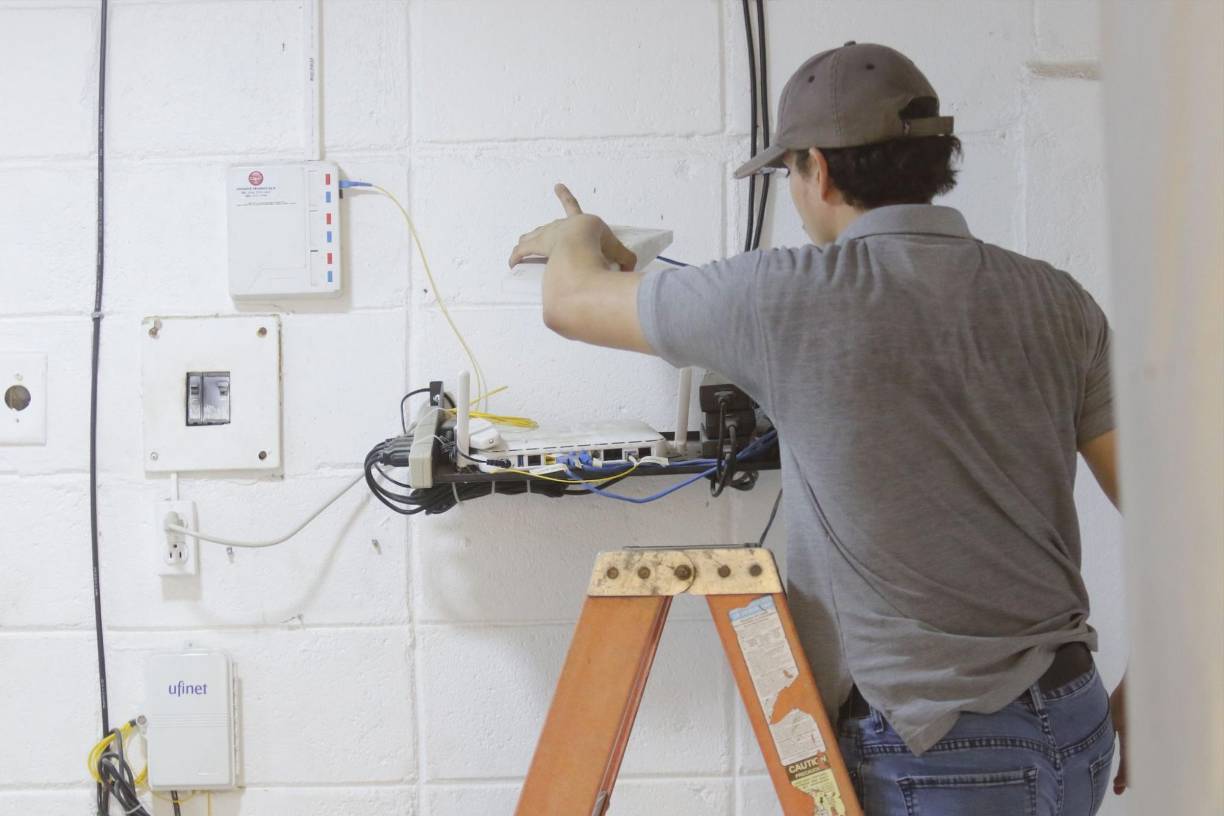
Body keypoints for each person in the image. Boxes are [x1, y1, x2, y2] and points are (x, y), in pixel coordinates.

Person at [509, 42, 1125, 815]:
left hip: (936, 751)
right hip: (1076, 725)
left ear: (818, 171)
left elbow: (570, 302)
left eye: (790, 174)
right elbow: (1184, 513)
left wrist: (575, 233)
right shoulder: (1059, 302)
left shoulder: (788, 295)